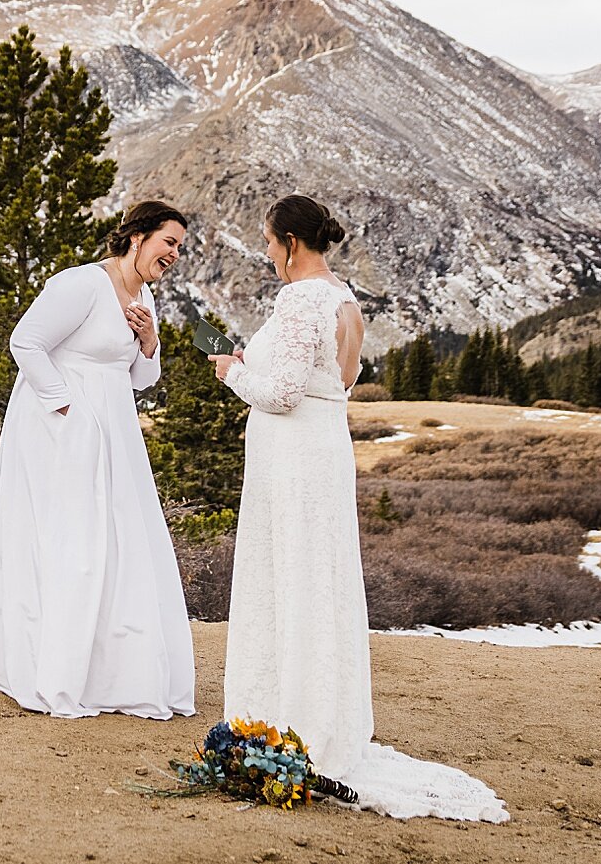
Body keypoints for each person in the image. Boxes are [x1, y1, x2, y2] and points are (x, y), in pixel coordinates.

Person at [211, 195, 507, 821]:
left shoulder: (298, 299)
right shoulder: (344, 299)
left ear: (291, 242)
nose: (266, 254)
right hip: (325, 451)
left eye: (268, 242)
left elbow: (284, 393)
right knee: (320, 579)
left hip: (291, 456)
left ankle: (284, 721)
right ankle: (326, 719)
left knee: (285, 575)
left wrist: (231, 371)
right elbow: (339, 383)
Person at [0, 200, 197, 719]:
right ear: (138, 237)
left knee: (119, 541)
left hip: (114, 429)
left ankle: (110, 671)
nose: (175, 255)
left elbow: (142, 380)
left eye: (180, 247)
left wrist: (149, 341)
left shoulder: (143, 297)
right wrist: (67, 405)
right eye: (170, 242)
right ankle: (50, 667)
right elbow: (25, 342)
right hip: (60, 430)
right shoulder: (80, 283)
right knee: (73, 541)